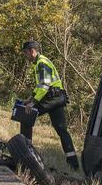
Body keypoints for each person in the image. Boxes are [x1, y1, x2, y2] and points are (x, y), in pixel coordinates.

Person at [20, 40, 79, 171]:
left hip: (52, 98)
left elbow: (45, 86)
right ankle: (73, 164)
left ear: (32, 51)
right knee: (61, 129)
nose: (25, 55)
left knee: (26, 116)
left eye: (26, 52)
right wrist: (30, 98)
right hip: (56, 98)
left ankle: (26, 155)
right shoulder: (39, 63)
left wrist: (32, 103)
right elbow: (40, 85)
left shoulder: (42, 63)